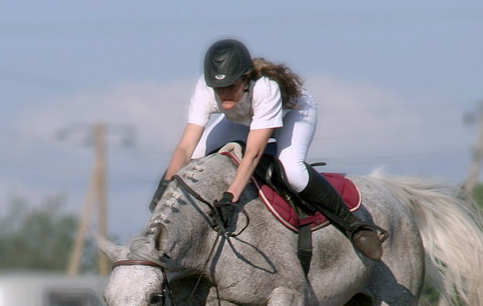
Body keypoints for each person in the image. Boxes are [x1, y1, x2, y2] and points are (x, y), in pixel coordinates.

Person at [160, 38, 386, 260]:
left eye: (231, 86)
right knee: (197, 158)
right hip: (244, 118)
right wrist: (167, 186)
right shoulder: (206, 88)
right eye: (218, 88)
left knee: (292, 172)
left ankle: (355, 225)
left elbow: (254, 153)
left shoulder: (265, 89)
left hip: (294, 113)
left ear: (245, 79)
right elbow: (185, 147)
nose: (224, 93)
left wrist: (231, 196)